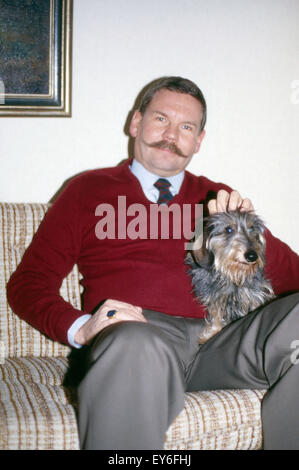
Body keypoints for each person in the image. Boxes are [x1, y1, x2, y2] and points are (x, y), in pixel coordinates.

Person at [7, 76, 299, 450]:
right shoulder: (86, 191)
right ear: (135, 123)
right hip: (138, 336)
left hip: (221, 342)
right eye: (161, 119)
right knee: (132, 343)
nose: (171, 135)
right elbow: (28, 284)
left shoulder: (218, 199)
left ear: (198, 140)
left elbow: (291, 276)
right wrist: (81, 328)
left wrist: (249, 236)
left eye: (186, 127)